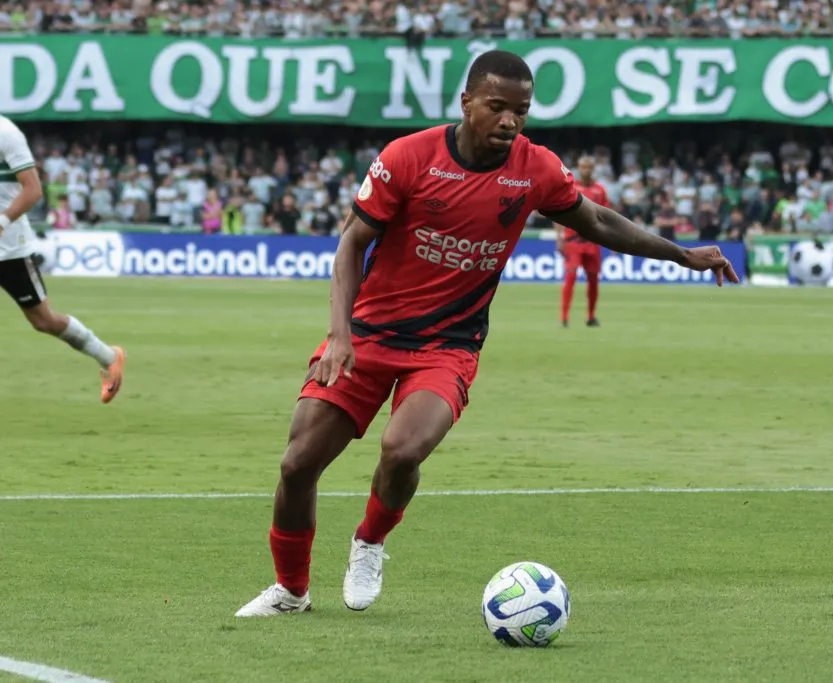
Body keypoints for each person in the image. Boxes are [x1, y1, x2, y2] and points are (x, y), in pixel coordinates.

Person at [235, 51, 737, 618]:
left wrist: (682, 255)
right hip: (368, 334)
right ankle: (291, 592)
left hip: (448, 346)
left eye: (521, 110)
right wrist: (339, 335)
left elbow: (595, 220)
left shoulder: (534, 168)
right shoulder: (408, 157)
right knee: (297, 464)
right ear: (467, 102)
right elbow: (352, 241)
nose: (509, 121)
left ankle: (370, 543)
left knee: (402, 450)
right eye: (497, 107)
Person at [0, 115, 126, 403]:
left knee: (43, 320)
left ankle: (109, 357)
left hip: (8, 248)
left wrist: (3, 222)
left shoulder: (6, 134)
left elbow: (33, 190)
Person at [555, 155, 609, 327]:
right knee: (570, 276)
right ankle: (564, 318)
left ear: (593, 168)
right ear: (578, 168)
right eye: (583, 167)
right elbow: (556, 212)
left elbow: (606, 216)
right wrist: (559, 237)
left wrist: (610, 240)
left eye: (589, 167)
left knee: (593, 279)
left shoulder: (600, 190)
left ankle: (591, 316)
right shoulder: (571, 187)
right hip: (573, 240)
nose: (586, 169)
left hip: (593, 241)